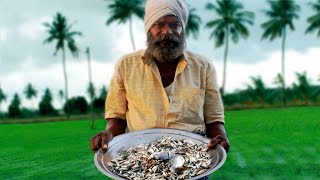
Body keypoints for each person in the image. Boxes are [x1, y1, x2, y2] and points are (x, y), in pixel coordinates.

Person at [90, 0, 229, 157]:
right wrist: (108, 133)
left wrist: (221, 137)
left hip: (192, 159)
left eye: (175, 25)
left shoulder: (203, 67)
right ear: (148, 28)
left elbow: (214, 120)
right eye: (159, 24)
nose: (167, 32)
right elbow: (117, 119)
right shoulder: (126, 65)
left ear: (183, 28)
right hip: (141, 159)